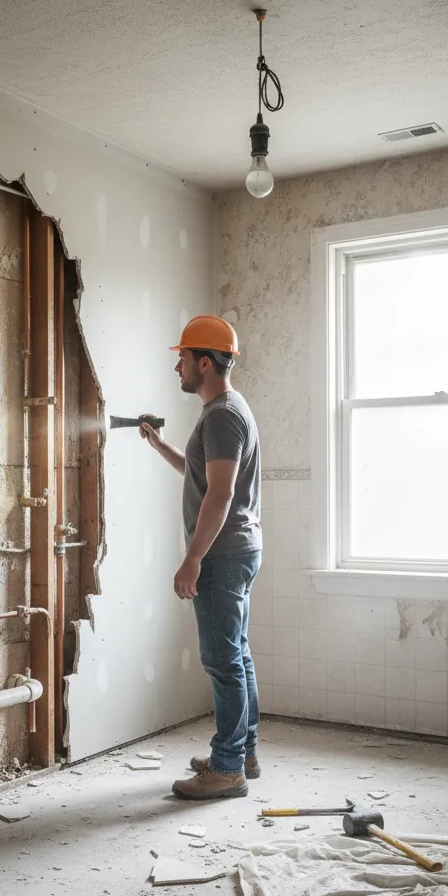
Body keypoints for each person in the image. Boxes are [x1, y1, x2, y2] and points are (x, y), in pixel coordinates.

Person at [139, 315, 262, 800]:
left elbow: (221, 494)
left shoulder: (222, 416)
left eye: (184, 358)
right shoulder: (225, 410)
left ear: (205, 363)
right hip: (236, 550)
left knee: (223, 661)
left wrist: (193, 558)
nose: (178, 368)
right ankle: (241, 754)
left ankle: (227, 769)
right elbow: (202, 476)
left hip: (221, 555)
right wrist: (159, 445)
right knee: (237, 656)